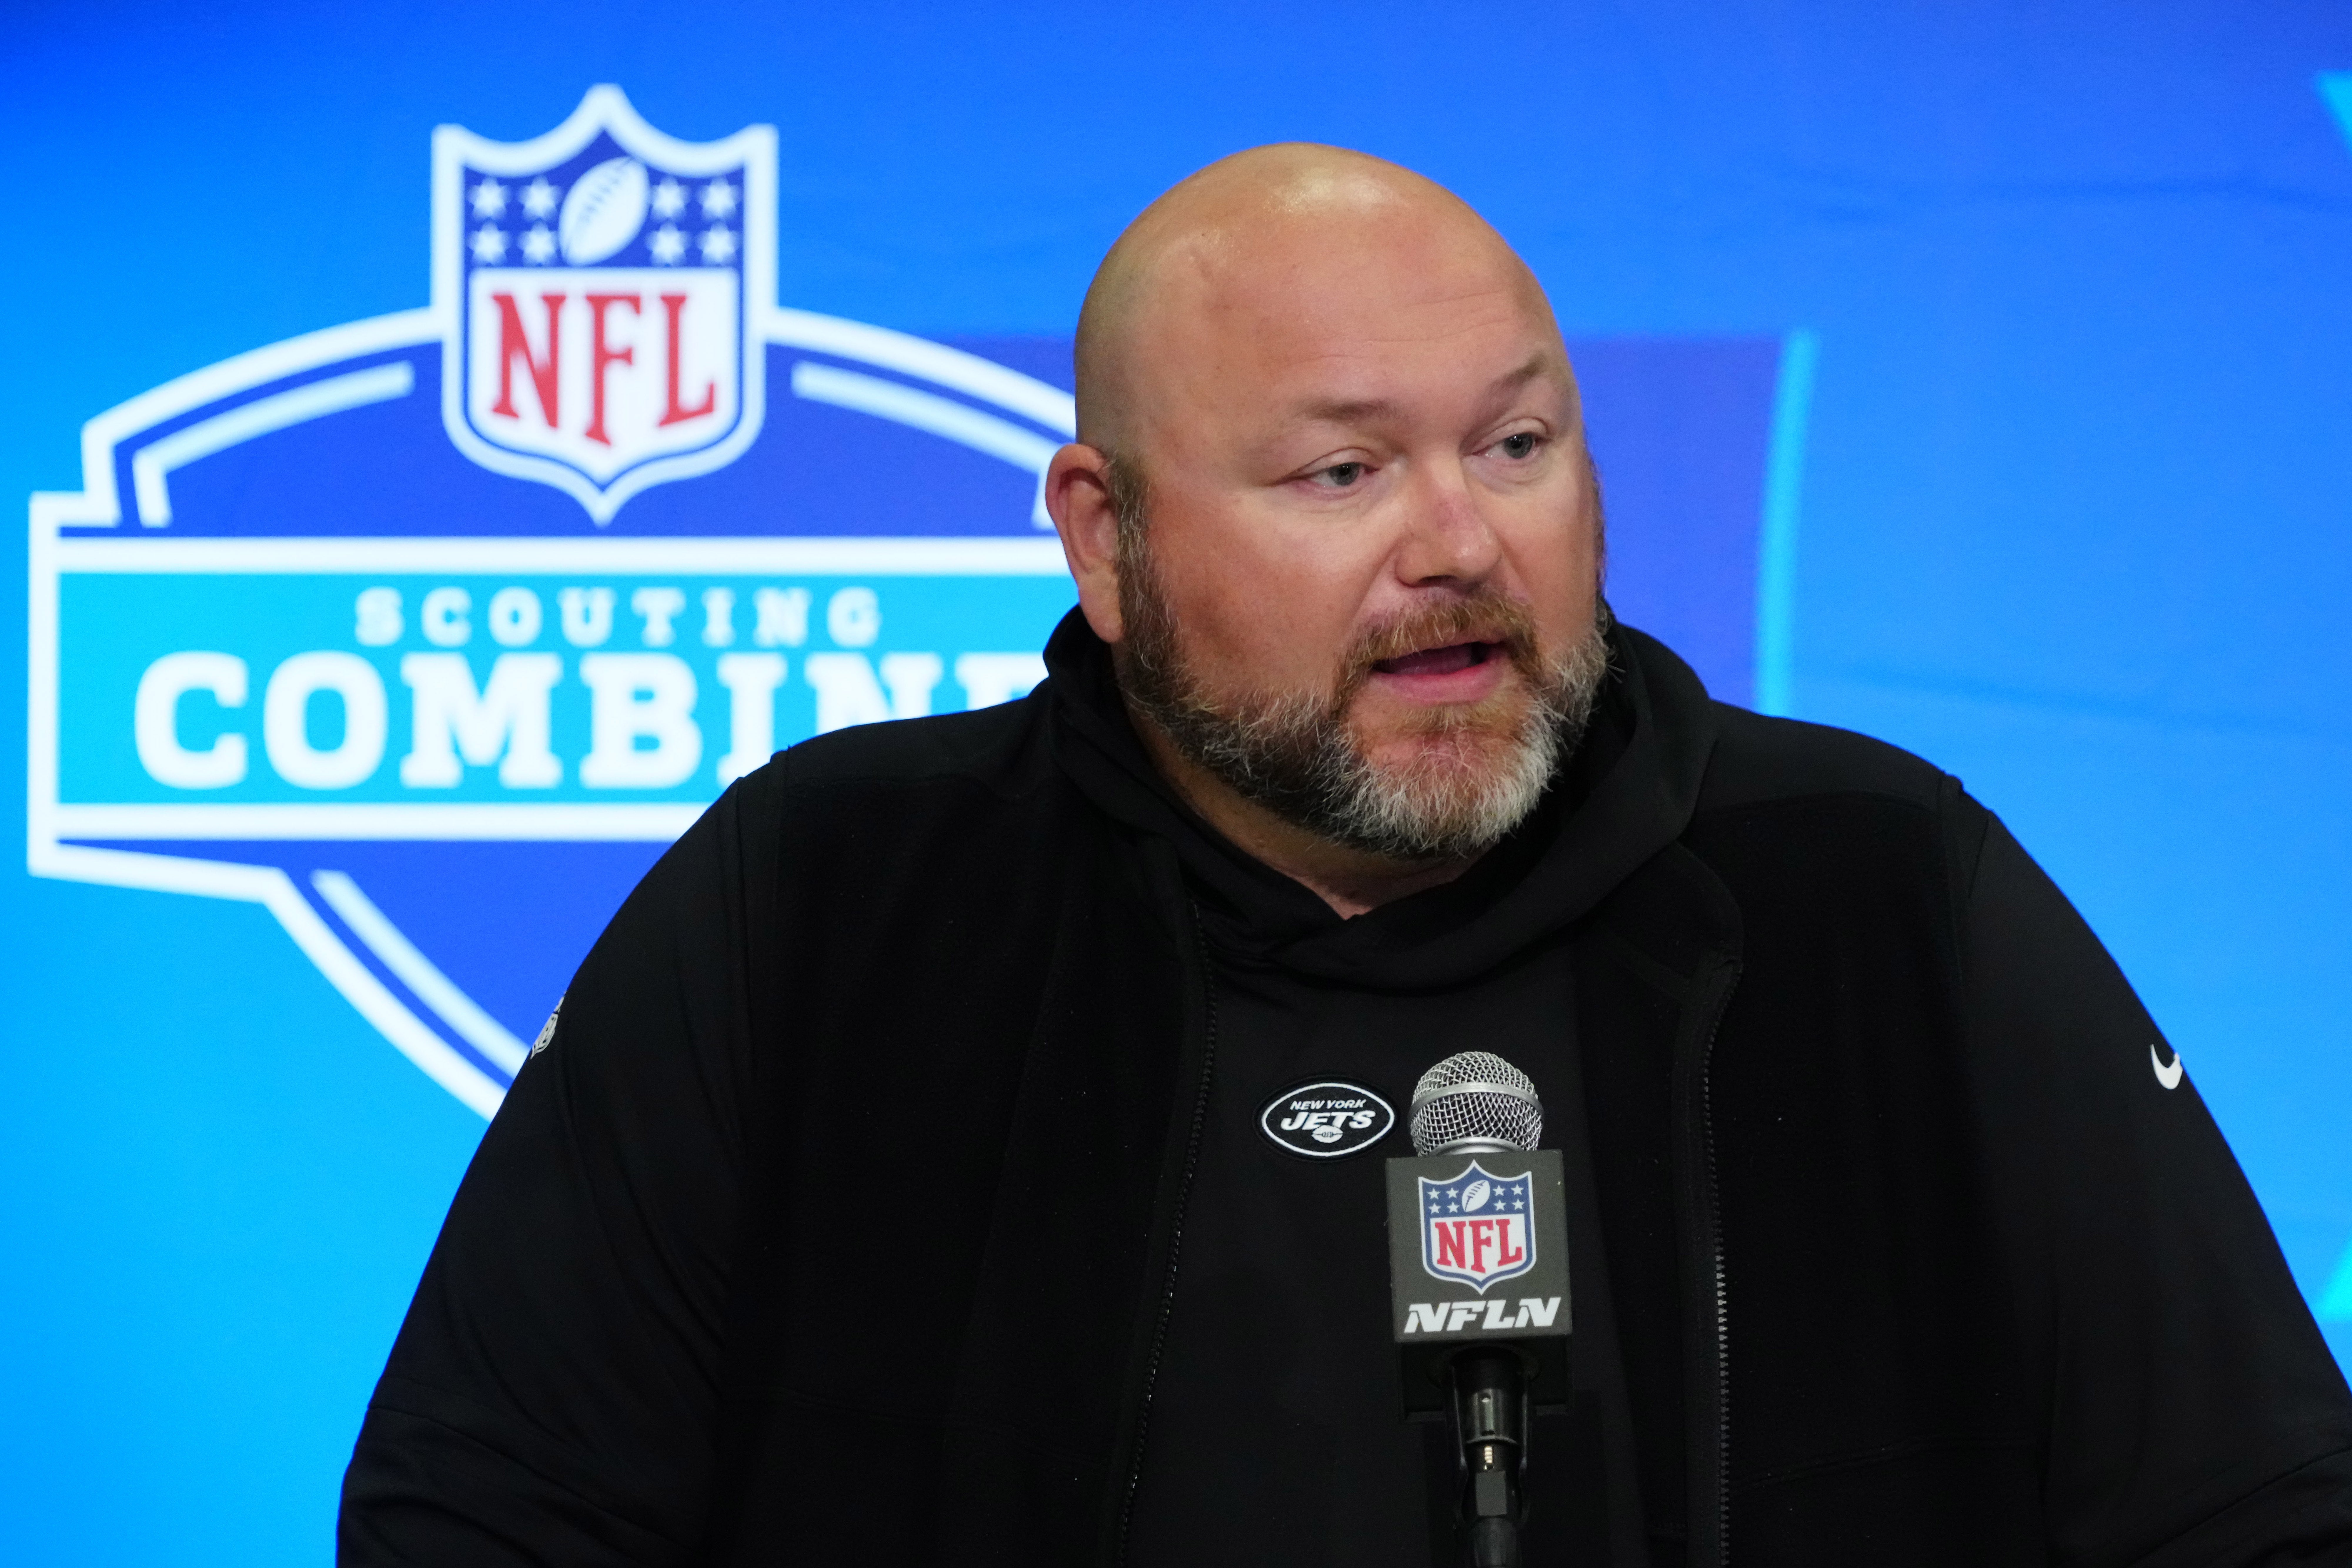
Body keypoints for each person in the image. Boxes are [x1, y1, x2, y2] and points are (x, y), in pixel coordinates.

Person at [338, 145, 2352, 1567]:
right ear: (1102, 540)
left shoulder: (1872, 888)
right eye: (1341, 470)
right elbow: (488, 1515)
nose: (1457, 543)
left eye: (1514, 445)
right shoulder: (834, 900)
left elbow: (2255, 1510)